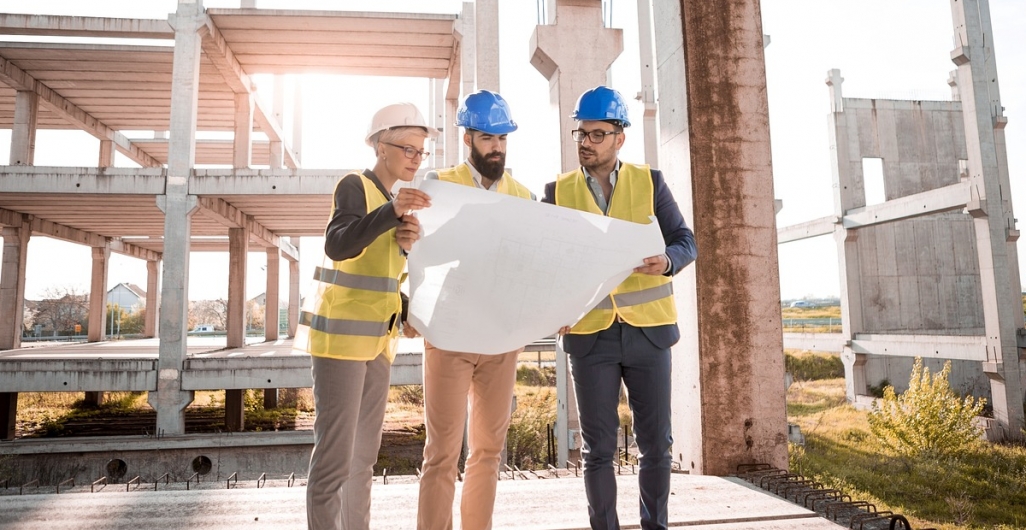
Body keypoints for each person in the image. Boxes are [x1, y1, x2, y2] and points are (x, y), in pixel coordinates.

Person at [542, 86, 697, 530]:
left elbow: (686, 242)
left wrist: (666, 261)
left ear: (619, 138)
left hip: (649, 332)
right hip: (591, 336)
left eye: (596, 134)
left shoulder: (650, 183)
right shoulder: (558, 191)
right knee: (598, 451)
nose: (585, 142)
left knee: (655, 445)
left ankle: (656, 526)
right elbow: (540, 259)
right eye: (581, 134)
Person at [295, 102, 437, 530]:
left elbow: (383, 280)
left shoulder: (394, 205)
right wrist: (391, 214)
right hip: (340, 343)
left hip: (378, 344)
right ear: (380, 145)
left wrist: (406, 246)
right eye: (408, 149)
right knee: (335, 459)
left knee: (362, 459)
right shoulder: (355, 185)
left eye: (421, 151)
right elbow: (338, 245)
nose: (415, 158)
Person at [416, 90, 536, 530]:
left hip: (502, 338)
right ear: (469, 137)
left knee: (487, 452)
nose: (497, 147)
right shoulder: (440, 184)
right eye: (488, 137)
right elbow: (419, 254)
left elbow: (532, 265)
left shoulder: (523, 195)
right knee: (441, 453)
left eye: (503, 138)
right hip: (450, 335)